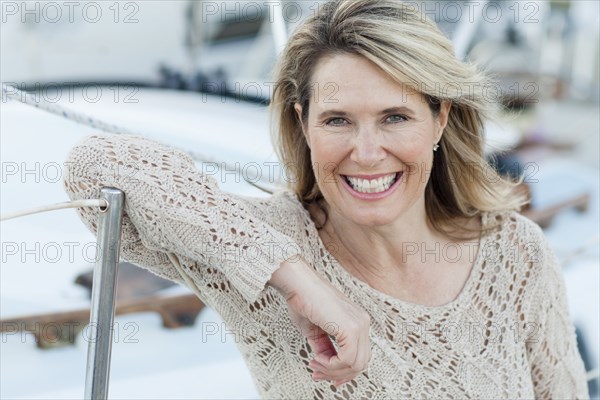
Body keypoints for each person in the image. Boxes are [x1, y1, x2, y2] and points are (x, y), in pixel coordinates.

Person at [63, 0, 590, 398]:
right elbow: (93, 170)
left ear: (441, 117)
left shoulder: (515, 252)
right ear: (303, 125)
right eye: (337, 120)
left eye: (395, 117)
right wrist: (298, 279)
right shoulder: (264, 249)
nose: (366, 153)